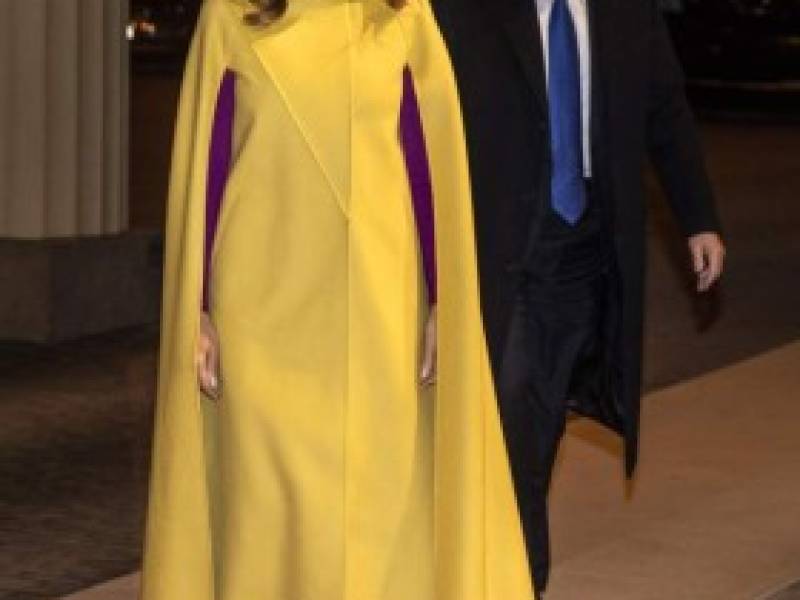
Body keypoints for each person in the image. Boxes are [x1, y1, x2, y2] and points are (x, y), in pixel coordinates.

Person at [141, 0, 535, 598]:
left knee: (379, 511)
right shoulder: (231, 14)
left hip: (381, 305)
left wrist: (440, 303)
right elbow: (207, 167)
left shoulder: (404, 15)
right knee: (272, 515)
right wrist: (194, 309)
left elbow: (429, 168)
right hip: (260, 309)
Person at [430, 0, 726, 596]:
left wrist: (699, 218)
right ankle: (519, 580)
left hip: (588, 249)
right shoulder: (463, 13)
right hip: (504, 252)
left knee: (540, 420)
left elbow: (664, 110)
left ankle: (508, 560)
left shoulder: (626, 13)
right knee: (515, 411)